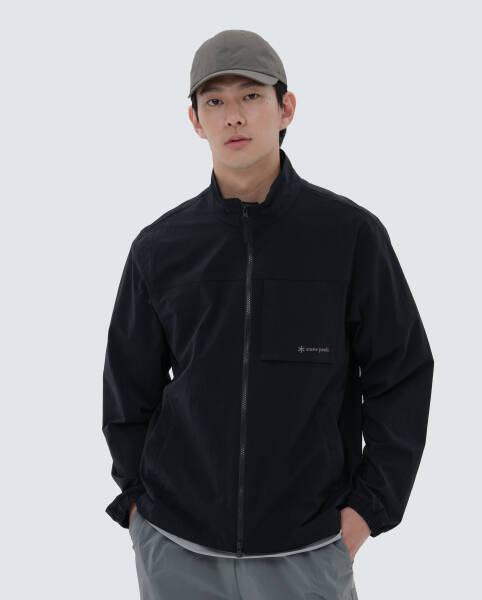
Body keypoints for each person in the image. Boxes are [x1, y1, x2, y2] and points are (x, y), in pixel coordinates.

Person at [102, 29, 434, 600]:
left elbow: (400, 375)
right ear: (195, 120)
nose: (233, 115)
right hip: (177, 547)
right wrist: (139, 509)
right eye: (215, 100)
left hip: (308, 549)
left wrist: (367, 511)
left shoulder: (349, 236)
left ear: (286, 108)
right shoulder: (159, 248)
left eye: (251, 96)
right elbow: (128, 390)